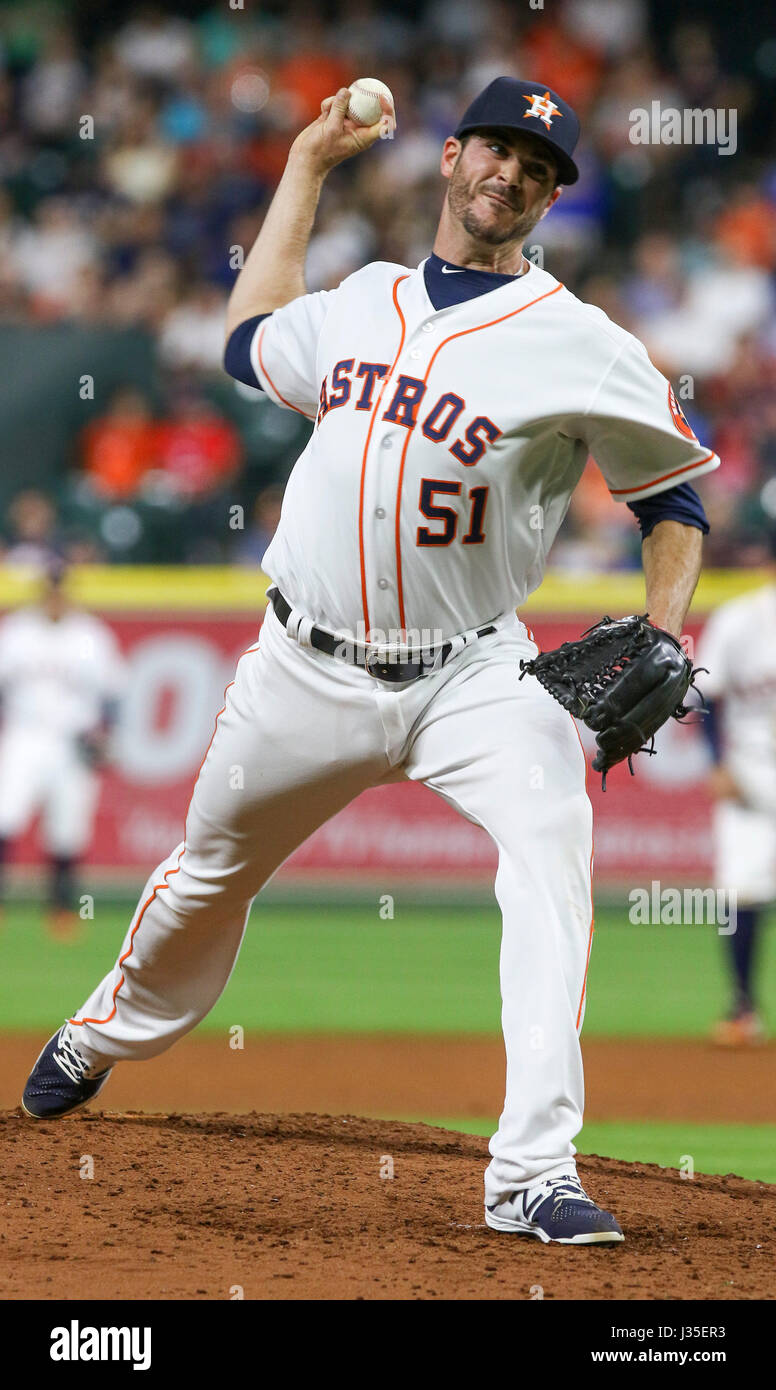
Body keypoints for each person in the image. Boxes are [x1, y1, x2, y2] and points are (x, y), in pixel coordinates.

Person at [23, 78, 718, 1245]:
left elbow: (674, 500)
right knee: (205, 872)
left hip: (473, 674)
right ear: (450, 159)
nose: (511, 174)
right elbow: (250, 337)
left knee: (550, 853)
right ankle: (107, 1027)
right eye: (497, 148)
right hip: (301, 666)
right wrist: (305, 164)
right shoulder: (360, 303)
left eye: (537, 168)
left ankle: (531, 1170)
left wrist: (661, 624)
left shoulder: (582, 344)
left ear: (548, 198)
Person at [0, 557, 125, 936]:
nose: (54, 595)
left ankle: (61, 911)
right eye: (49, 588)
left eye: (59, 588)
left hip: (73, 740)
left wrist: (106, 736)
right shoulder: (16, 631)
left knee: (68, 827)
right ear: (42, 591)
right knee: (5, 815)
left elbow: (114, 693)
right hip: (25, 734)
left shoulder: (91, 635)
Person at [697, 550, 776, 1045]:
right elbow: (703, 693)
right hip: (750, 773)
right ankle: (743, 1007)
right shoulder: (741, 619)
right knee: (741, 890)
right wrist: (718, 763)